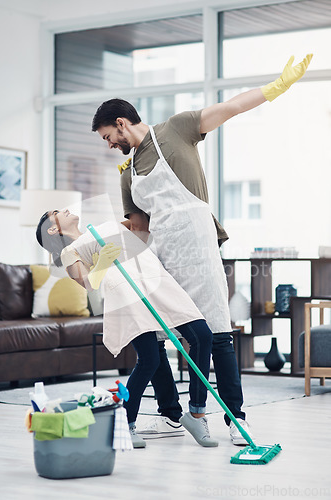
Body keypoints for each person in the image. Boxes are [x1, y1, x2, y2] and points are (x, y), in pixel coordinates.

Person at [91, 54, 313, 445]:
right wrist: (108, 239)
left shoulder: (176, 130)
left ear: (122, 123)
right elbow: (139, 227)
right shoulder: (127, 173)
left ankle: (235, 419)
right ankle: (173, 415)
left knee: (217, 332)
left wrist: (277, 87)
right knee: (157, 335)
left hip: (197, 242)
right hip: (160, 252)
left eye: (109, 136)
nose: (110, 145)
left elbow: (230, 107)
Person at [36, 208, 221, 449]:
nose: (65, 210)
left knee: (202, 335)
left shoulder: (104, 226)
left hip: (157, 281)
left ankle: (196, 413)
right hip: (128, 294)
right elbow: (88, 283)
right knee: (150, 359)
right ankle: (125, 422)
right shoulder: (68, 252)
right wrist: (101, 263)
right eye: (57, 212)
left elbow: (141, 218)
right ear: (53, 229)